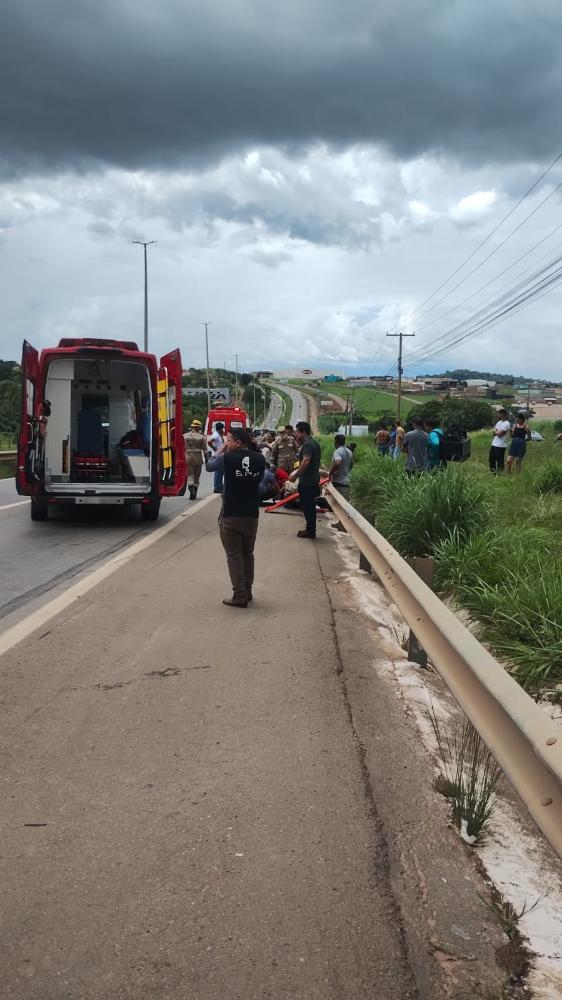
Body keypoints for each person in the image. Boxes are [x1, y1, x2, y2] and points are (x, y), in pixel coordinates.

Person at [206, 428, 266, 607]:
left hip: (231, 514)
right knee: (248, 554)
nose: (227, 443)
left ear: (238, 442)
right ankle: (247, 591)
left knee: (233, 555)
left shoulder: (227, 458)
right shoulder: (260, 459)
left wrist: (221, 449)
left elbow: (209, 465)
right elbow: (260, 480)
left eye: (229, 440)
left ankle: (239, 595)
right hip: (251, 515)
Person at [288, 421, 321, 538]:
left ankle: (310, 531)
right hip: (313, 480)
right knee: (310, 506)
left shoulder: (307, 445)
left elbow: (306, 460)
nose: (295, 434)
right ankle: (310, 529)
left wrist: (295, 475)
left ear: (304, 432)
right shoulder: (314, 443)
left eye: (297, 432)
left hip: (307, 482)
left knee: (308, 507)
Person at [328, 433, 353, 531]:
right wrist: (346, 472)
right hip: (347, 481)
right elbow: (351, 464)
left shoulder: (337, 451)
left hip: (338, 481)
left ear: (336, 442)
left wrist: (331, 472)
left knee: (338, 505)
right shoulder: (349, 451)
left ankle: (341, 525)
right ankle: (341, 524)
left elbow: (338, 462)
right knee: (344, 505)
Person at [183, 419, 209, 500]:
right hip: (198, 459)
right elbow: (205, 450)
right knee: (197, 476)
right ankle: (194, 492)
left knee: (190, 475)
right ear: (198, 428)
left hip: (187, 458)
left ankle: (191, 489)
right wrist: (207, 460)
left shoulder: (184, 436)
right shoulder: (201, 437)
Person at [489, 408, 511, 475]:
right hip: (494, 444)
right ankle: (493, 474)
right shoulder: (498, 422)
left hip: (501, 445)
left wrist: (496, 432)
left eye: (499, 413)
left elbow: (500, 434)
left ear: (503, 414)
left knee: (500, 461)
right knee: (491, 459)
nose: (498, 415)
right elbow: (493, 432)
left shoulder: (507, 424)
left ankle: (499, 474)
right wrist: (496, 432)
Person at [209, 421, 225, 493]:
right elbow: (209, 441)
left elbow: (221, 443)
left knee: (220, 472)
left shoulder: (219, 434)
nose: (223, 430)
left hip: (220, 455)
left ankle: (219, 486)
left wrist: (221, 436)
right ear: (220, 429)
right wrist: (213, 447)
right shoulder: (215, 435)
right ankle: (216, 487)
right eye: (222, 428)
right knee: (218, 472)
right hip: (217, 455)